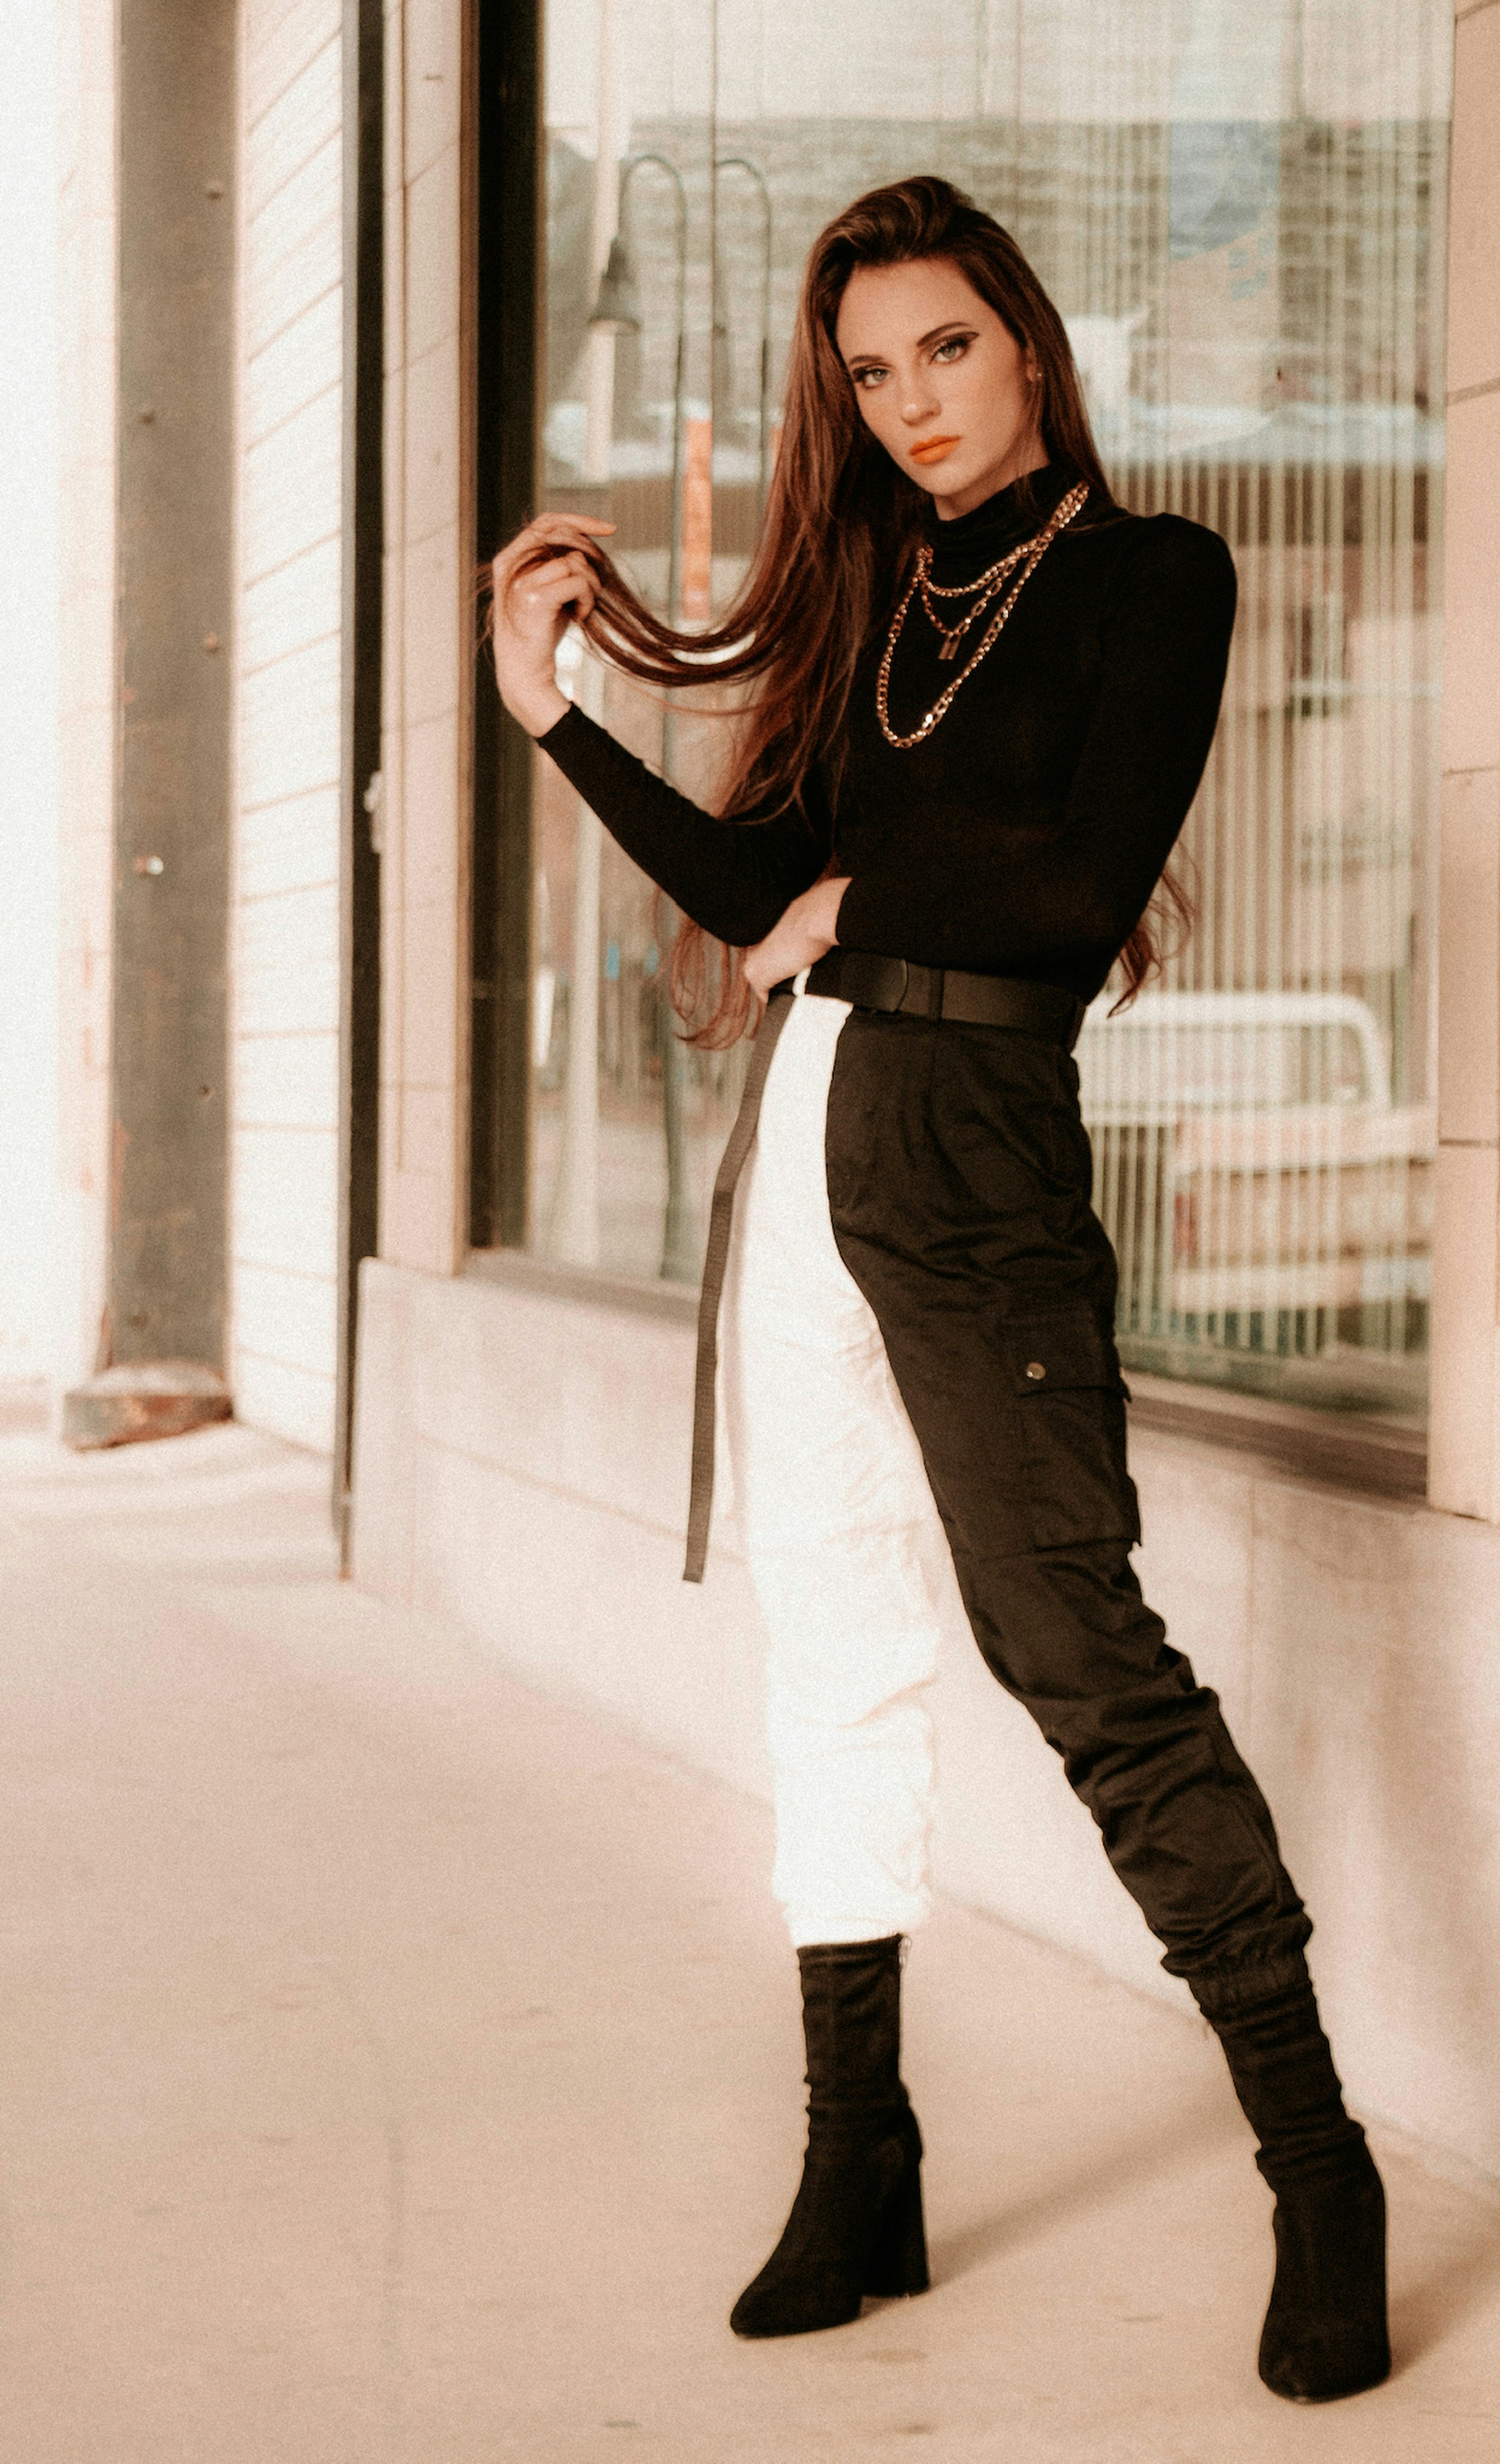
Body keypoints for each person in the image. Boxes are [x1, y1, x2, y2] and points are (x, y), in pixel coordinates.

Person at [488, 173, 1388, 2406]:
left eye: (946, 354)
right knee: (840, 1641)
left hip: (975, 1145)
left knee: (1073, 1645)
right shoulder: (882, 609)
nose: (912, 408)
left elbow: (1077, 888)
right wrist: (559, 724)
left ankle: (1317, 2164)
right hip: (803, 1138)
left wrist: (850, 896)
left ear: (1026, 339)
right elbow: (747, 888)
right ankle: (856, 2148)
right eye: (870, 376)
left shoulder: (1150, 579)